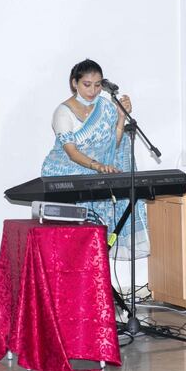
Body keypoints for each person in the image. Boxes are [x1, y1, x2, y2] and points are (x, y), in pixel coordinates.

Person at [41, 58, 148, 259]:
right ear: (74, 83)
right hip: (65, 176)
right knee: (74, 241)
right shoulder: (63, 112)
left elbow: (113, 146)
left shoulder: (106, 107)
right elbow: (71, 152)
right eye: (87, 85)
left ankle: (96, 281)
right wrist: (97, 166)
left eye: (98, 85)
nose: (93, 91)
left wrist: (121, 117)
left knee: (97, 237)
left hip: (97, 175)